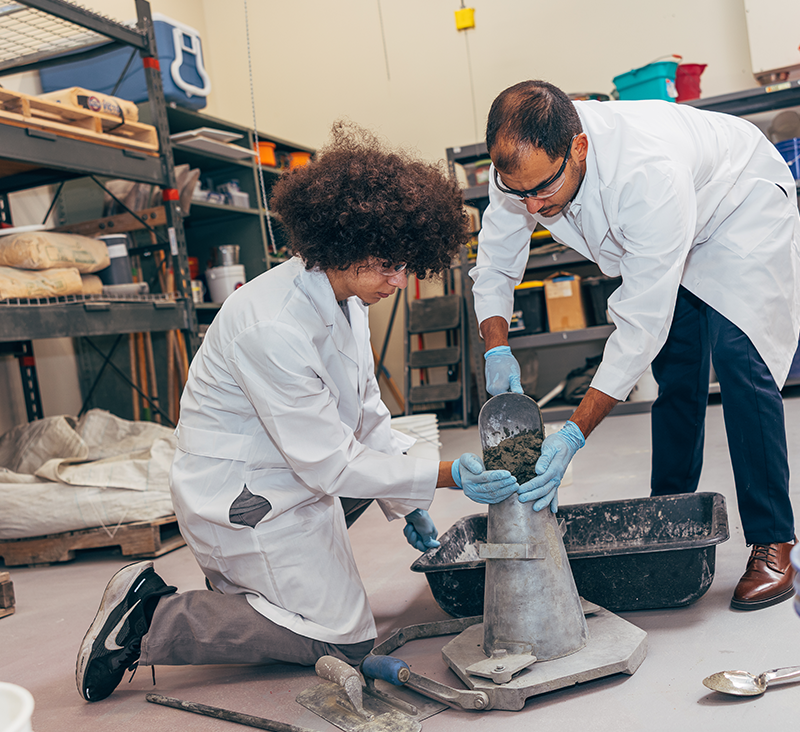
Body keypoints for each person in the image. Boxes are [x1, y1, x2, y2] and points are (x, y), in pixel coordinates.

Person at [77, 123, 520, 702]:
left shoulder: (346, 297)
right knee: (344, 643)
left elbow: (364, 414)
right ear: (342, 243)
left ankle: (255, 592)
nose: (397, 280)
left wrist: (408, 502)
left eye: (404, 264)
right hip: (244, 496)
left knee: (372, 481)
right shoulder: (274, 324)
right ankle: (153, 618)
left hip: (290, 470)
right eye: (387, 264)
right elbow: (331, 467)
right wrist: (446, 474)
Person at [470, 81, 800, 611]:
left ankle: (773, 542)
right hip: (666, 227)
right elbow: (494, 263)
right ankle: (670, 515)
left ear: (578, 148)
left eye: (542, 190)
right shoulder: (519, 170)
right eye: (519, 193)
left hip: (737, 206)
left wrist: (572, 435)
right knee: (679, 370)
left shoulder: (646, 172)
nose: (533, 205)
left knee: (739, 361)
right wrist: (497, 348)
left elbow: (640, 326)